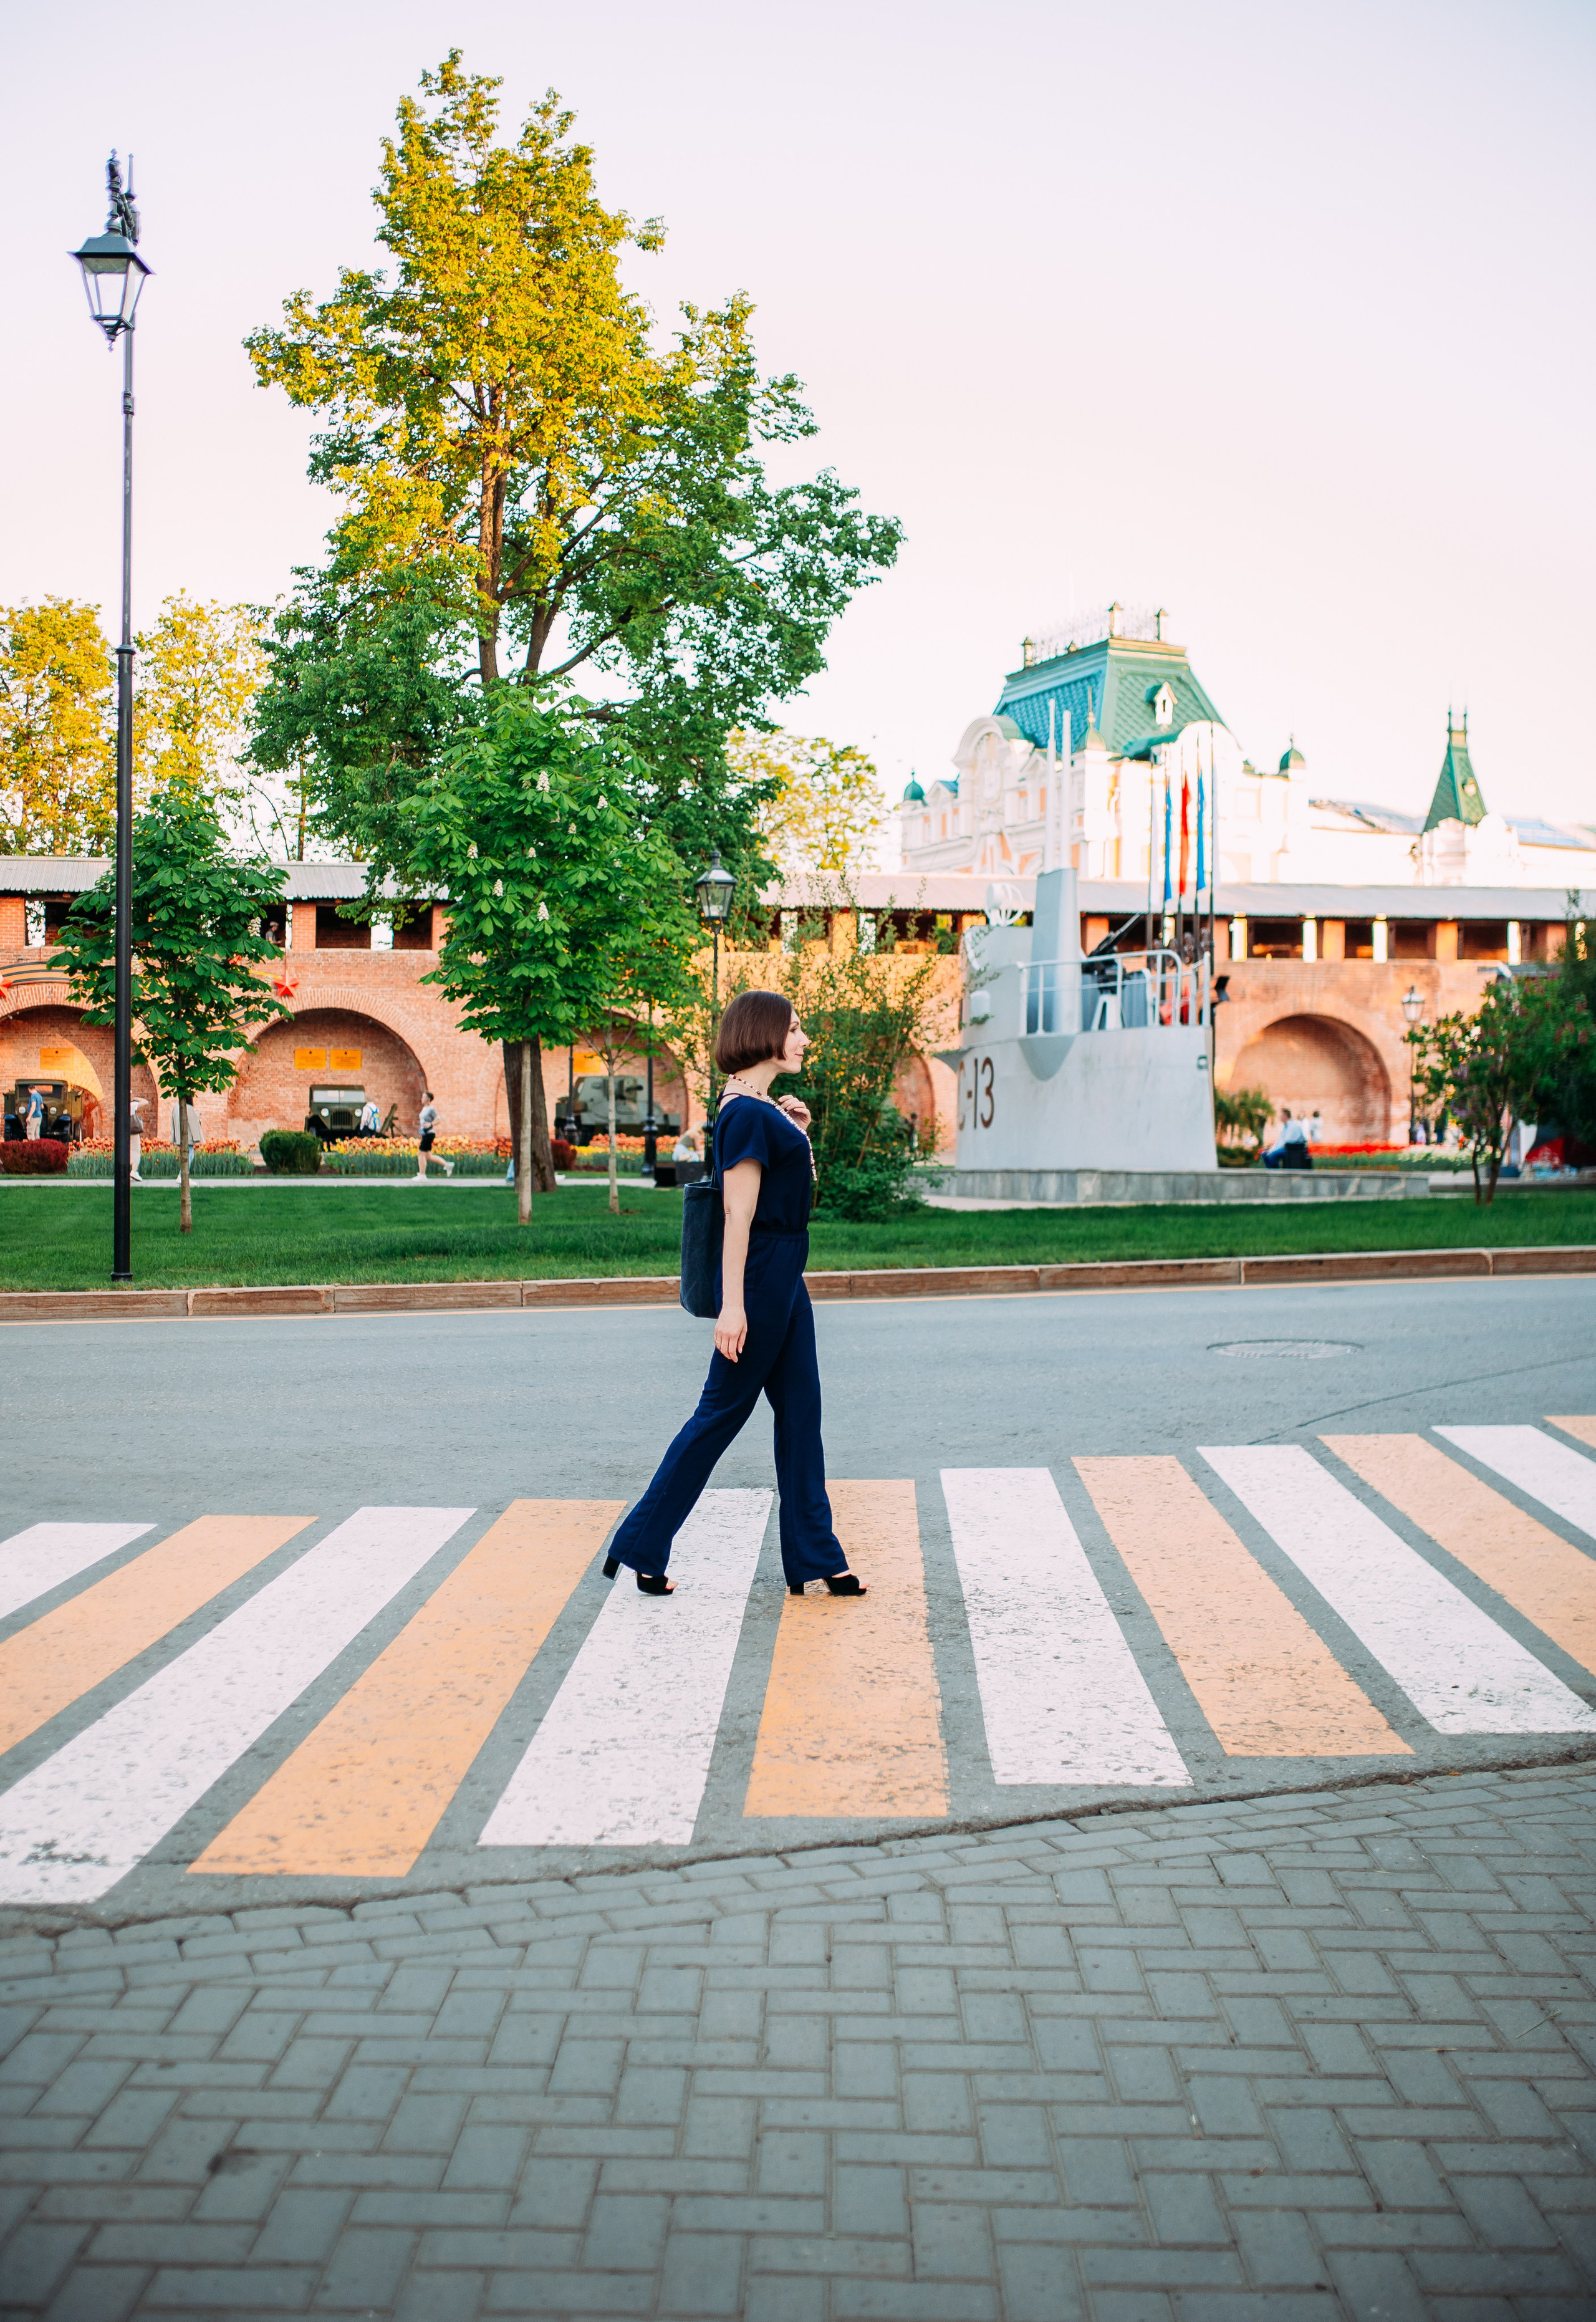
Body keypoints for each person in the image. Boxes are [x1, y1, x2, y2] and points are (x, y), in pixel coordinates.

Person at [603, 988, 864, 1601]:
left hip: (784, 1278)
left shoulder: (759, 1108)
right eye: (795, 1028)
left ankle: (815, 1557)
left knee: (802, 1417)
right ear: (764, 1034)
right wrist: (733, 1304)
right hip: (763, 1281)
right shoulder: (746, 1113)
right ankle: (640, 1544)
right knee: (719, 1416)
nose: (803, 1039)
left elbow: (784, 1193)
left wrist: (798, 1133)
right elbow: (738, 1216)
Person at [415, 1091, 454, 1179]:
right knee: (428, 1156)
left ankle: (422, 1175)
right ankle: (447, 1165)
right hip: (425, 1134)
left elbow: (438, 1119)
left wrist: (430, 1125)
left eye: (423, 1097)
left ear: (428, 1099)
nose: (422, 1099)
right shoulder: (424, 1109)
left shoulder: (431, 1109)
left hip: (429, 1134)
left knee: (421, 1154)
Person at [128, 1097, 145, 1183]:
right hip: (133, 1132)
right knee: (136, 1150)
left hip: (124, 1132)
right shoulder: (131, 1105)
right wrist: (136, 1098)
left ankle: (129, 1172)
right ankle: (134, 1171)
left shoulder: (119, 1106)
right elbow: (145, 1102)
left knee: (130, 1151)